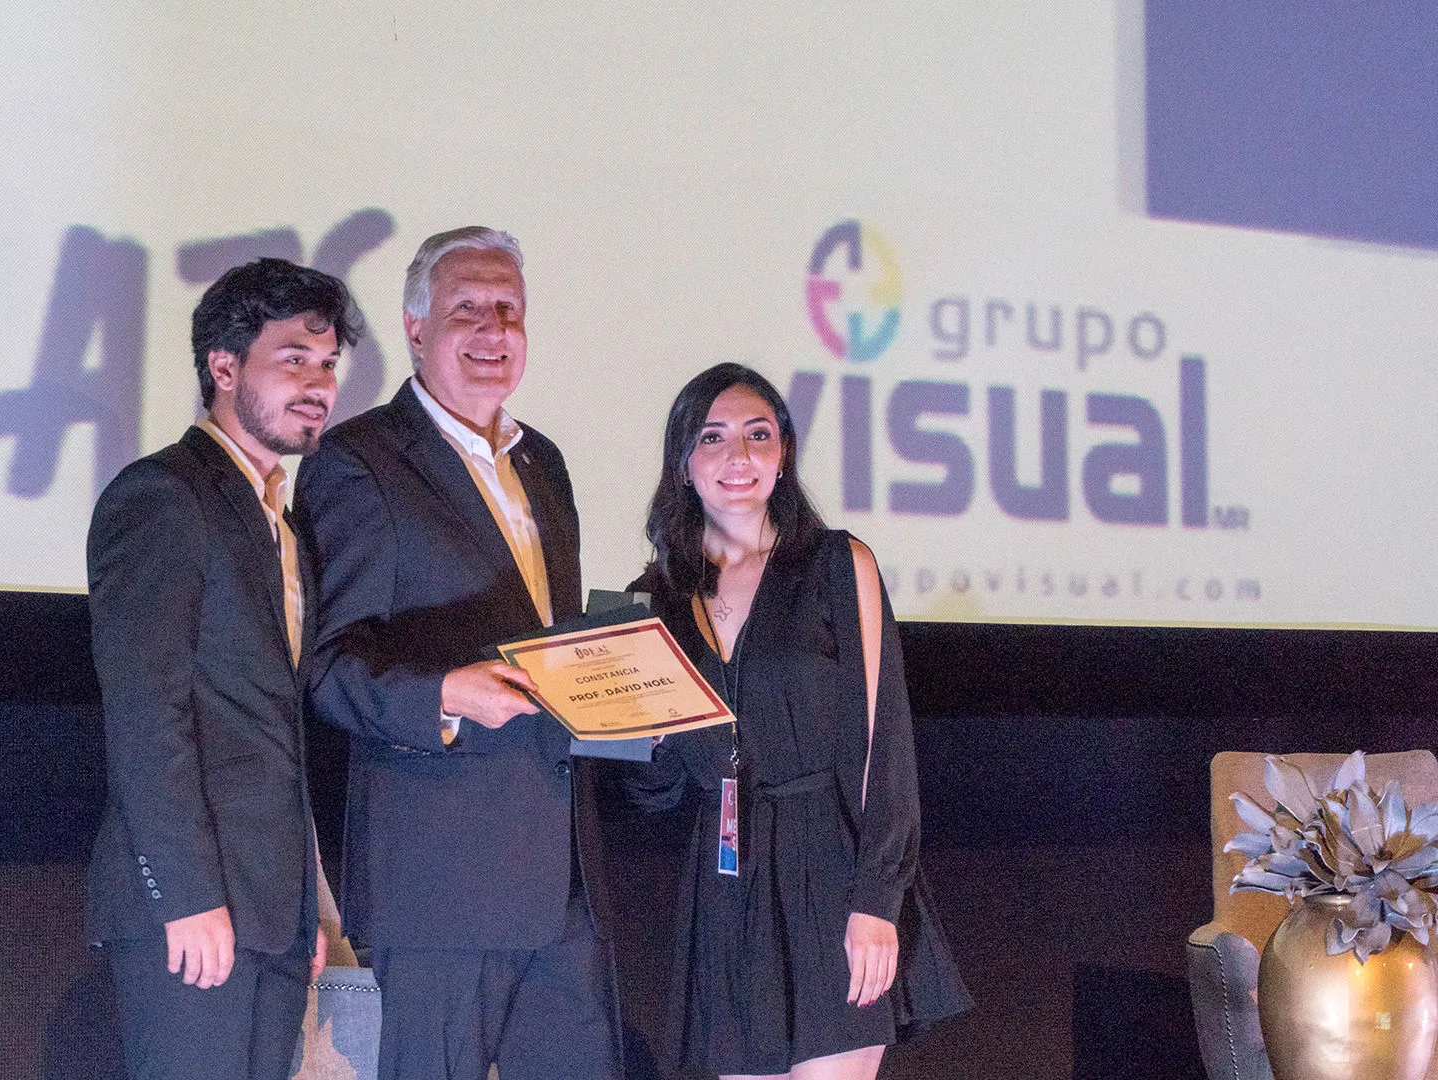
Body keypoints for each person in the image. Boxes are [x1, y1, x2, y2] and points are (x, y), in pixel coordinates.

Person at [292, 227, 620, 1080]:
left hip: (563, 884)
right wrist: (445, 694)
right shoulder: (360, 462)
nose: (492, 328)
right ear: (414, 326)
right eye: (467, 306)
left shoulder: (542, 463)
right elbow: (328, 668)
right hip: (436, 884)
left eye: (508, 309)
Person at [622, 362, 970, 1080]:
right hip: (722, 885)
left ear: (783, 454)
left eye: (758, 434)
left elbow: (884, 746)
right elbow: (653, 793)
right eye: (713, 438)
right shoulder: (650, 600)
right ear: (684, 464)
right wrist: (641, 735)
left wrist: (877, 901)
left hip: (833, 870)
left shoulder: (839, 563)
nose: (739, 456)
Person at [85, 257, 360, 1080]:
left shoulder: (277, 518)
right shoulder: (165, 497)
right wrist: (189, 896)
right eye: (294, 360)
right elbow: (146, 712)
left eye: (328, 366)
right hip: (193, 909)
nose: (318, 384)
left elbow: (267, 730)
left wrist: (295, 907)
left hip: (268, 914)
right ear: (224, 365)